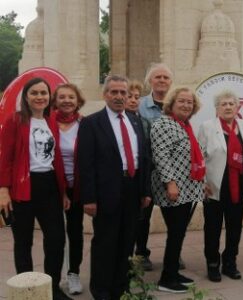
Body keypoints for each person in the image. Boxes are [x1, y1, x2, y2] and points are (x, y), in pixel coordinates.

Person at [78, 75, 151, 300]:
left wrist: (145, 191)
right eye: (114, 92)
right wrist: (88, 198)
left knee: (126, 241)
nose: (119, 97)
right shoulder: (91, 123)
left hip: (132, 189)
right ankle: (101, 291)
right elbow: (86, 164)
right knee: (104, 243)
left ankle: (121, 288)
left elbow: (143, 158)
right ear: (105, 95)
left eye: (123, 93)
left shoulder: (135, 120)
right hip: (105, 191)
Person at [0, 77, 73, 300]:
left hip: (49, 185)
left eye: (43, 93)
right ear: (26, 96)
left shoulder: (51, 121)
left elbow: (56, 158)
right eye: (34, 93)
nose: (40, 97)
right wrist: (3, 190)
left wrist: (63, 191)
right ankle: (27, 289)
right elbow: (5, 156)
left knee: (56, 239)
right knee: (23, 241)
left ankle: (53, 288)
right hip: (23, 186)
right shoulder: (15, 120)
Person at [197, 91, 243, 282]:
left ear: (238, 107)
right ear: (217, 108)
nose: (228, 107)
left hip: (238, 186)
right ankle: (213, 263)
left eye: (232, 104)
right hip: (214, 186)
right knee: (213, 228)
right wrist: (202, 182)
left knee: (235, 227)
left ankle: (230, 261)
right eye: (223, 104)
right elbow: (199, 156)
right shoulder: (207, 127)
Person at [150, 87, 205, 293]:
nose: (186, 105)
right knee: (175, 232)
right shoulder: (163, 123)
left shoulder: (185, 125)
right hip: (173, 189)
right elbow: (161, 155)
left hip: (188, 188)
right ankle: (166, 279)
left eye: (189, 102)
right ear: (171, 103)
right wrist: (170, 183)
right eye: (181, 101)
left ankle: (173, 272)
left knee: (179, 232)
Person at [136, 63, 173, 271]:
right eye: (157, 77)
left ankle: (172, 254)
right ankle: (141, 254)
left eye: (166, 78)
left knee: (174, 217)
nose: (161, 81)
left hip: (172, 172)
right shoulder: (140, 105)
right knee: (143, 215)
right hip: (149, 171)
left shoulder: (178, 105)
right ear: (150, 81)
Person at [51, 83, 86, 295]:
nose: (66, 101)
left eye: (71, 97)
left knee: (75, 232)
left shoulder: (85, 124)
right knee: (55, 234)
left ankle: (73, 273)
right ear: (55, 100)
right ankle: (54, 276)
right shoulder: (47, 123)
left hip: (78, 187)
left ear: (78, 100)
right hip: (53, 186)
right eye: (62, 97)